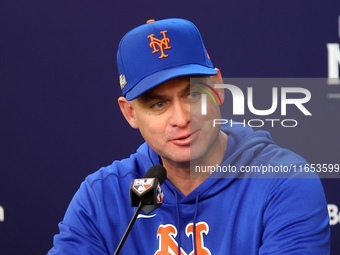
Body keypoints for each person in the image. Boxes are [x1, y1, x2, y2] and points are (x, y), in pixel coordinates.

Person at [48, 18, 330, 254]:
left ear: (218, 88)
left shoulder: (282, 181)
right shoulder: (102, 196)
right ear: (130, 113)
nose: (182, 119)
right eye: (158, 104)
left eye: (193, 94)